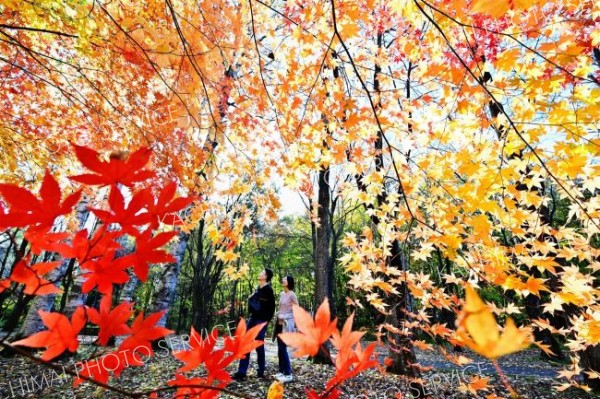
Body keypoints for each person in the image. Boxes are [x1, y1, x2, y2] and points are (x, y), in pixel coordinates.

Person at [232, 268, 275, 381]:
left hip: (262, 321)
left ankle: (261, 370)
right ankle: (241, 372)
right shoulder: (257, 288)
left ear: (266, 276)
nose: (259, 273)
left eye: (262, 272)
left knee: (258, 343)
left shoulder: (269, 290)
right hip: (253, 319)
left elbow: (271, 309)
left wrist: (265, 322)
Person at [273, 275, 298, 383]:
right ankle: (281, 370)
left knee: (283, 348)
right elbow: (280, 308)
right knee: (279, 348)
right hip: (279, 323)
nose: (282, 280)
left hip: (286, 324)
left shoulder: (292, 295)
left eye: (284, 279)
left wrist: (288, 318)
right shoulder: (282, 294)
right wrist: (278, 315)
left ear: (289, 282)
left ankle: (288, 374)